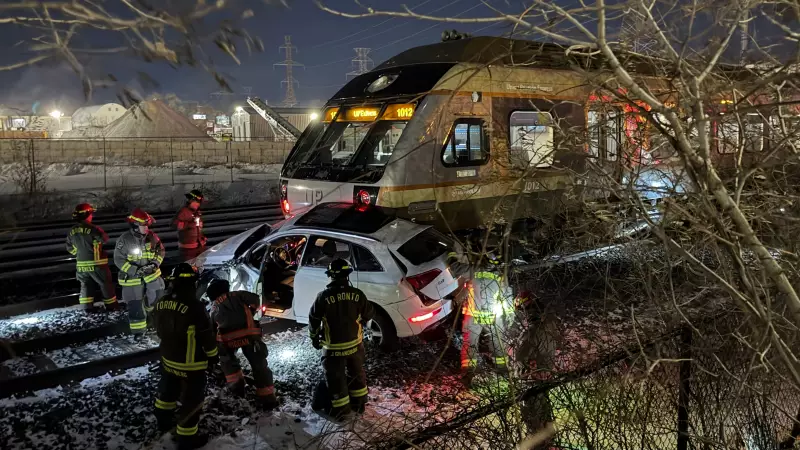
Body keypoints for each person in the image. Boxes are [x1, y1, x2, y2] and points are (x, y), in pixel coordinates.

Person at [152, 263, 218, 450]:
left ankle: (163, 422)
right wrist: (213, 357)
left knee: (167, 391)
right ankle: (186, 438)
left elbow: (156, 326)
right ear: (191, 284)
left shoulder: (161, 302)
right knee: (192, 400)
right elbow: (207, 336)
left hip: (167, 358)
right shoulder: (195, 307)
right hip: (191, 364)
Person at [309, 258, 374, 420]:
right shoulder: (358, 294)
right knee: (357, 373)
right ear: (347, 275)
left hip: (333, 348)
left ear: (331, 276)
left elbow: (314, 320)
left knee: (335, 378)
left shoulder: (323, 297)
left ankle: (342, 411)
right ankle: (359, 404)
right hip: (355, 344)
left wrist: (314, 338)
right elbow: (369, 314)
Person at [206, 278, 278, 409]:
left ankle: (237, 389)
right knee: (259, 365)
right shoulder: (238, 295)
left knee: (228, 362)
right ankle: (267, 397)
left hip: (228, 342)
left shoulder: (214, 307)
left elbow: (211, 329)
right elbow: (256, 300)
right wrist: (251, 312)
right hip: (250, 337)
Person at [460, 252, 515, 385]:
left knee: (476, 344)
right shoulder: (499, 276)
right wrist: (509, 313)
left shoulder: (473, 271)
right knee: (494, 343)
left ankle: (498, 369)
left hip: (476, 316)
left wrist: (450, 255)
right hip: (490, 317)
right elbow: (506, 295)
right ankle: (472, 373)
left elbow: (455, 268)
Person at [114, 208, 165, 334]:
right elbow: (118, 259)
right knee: (135, 305)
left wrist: (154, 264)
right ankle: (139, 332)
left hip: (151, 275)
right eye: (144, 225)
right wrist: (134, 270)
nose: (146, 228)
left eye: (147, 225)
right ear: (135, 226)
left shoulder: (152, 237)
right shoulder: (124, 240)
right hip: (132, 279)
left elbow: (161, 251)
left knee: (157, 299)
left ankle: (153, 323)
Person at [65, 204, 120, 312]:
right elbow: (104, 239)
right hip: (97, 264)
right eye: (91, 214)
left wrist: (81, 253)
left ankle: (87, 308)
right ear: (87, 215)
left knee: (85, 285)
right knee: (105, 284)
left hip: (81, 265)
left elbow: (70, 248)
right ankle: (112, 307)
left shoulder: (72, 231)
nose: (92, 216)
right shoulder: (93, 229)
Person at [173, 189, 207, 261]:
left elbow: (197, 228)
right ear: (191, 200)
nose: (198, 205)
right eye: (197, 202)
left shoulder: (197, 212)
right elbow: (174, 225)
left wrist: (201, 238)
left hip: (198, 246)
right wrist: (190, 224)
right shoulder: (183, 212)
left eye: (199, 203)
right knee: (190, 267)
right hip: (188, 249)